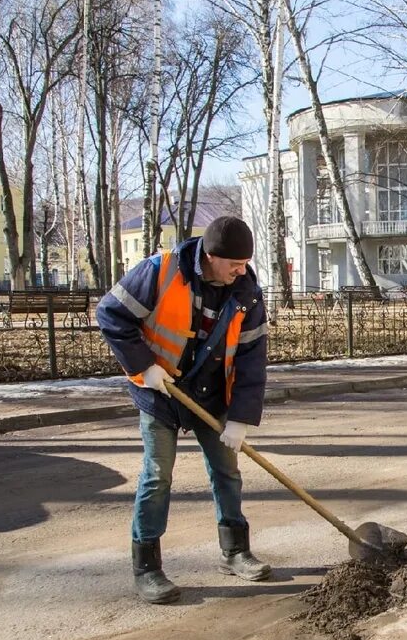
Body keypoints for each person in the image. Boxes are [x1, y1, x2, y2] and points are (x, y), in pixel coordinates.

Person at [97, 215, 279, 604]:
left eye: (245, 263)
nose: (241, 270)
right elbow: (111, 313)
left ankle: (236, 551)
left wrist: (241, 418)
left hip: (211, 396)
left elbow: (251, 359)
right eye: (234, 263)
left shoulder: (246, 291)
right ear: (211, 257)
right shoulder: (159, 270)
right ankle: (147, 568)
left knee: (227, 472)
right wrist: (143, 364)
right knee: (157, 475)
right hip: (160, 392)